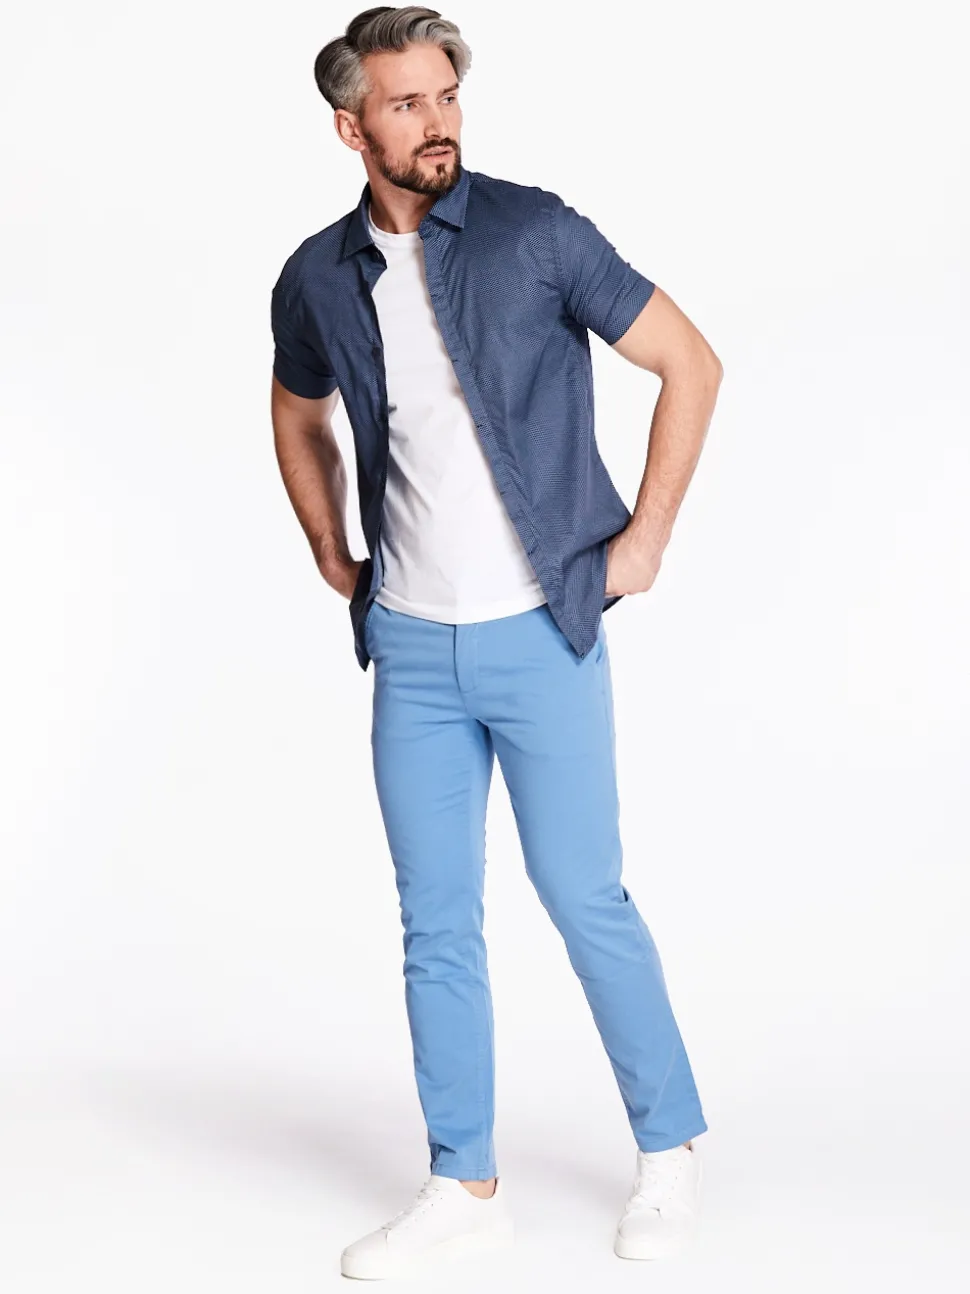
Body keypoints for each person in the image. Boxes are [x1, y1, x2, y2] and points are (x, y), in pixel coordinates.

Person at [269, 5, 722, 1280]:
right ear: (352, 127)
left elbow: (689, 363)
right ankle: (462, 1181)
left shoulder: (537, 233)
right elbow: (296, 411)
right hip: (412, 653)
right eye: (406, 104)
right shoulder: (316, 275)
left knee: (584, 895)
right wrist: (330, 549)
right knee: (435, 922)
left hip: (542, 633)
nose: (438, 123)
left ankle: (669, 1150)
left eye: (446, 96)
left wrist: (643, 542)